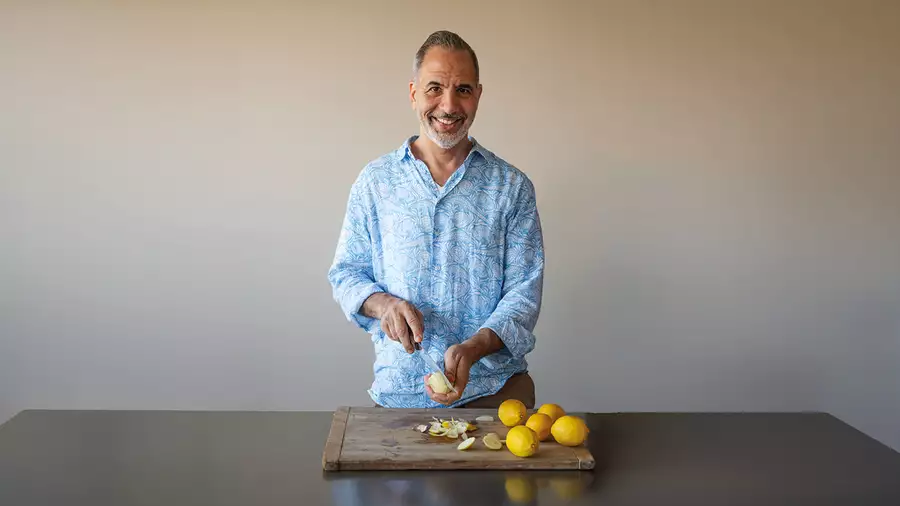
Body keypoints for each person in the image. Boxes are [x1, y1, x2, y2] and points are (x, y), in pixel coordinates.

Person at [327, 30, 544, 409]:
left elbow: (524, 293)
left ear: (477, 96)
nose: (448, 105)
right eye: (434, 88)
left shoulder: (512, 187)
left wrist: (476, 347)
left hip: (495, 393)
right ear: (413, 93)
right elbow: (346, 273)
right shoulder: (375, 182)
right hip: (399, 395)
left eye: (462, 89)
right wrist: (384, 305)